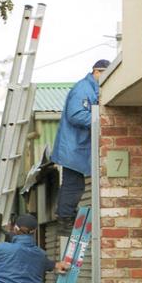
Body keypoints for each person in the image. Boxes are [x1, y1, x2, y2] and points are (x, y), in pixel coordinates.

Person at [51, 59, 110, 235]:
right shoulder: (83, 89)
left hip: (75, 146)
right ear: (97, 72)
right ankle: (65, 221)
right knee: (73, 185)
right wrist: (101, 121)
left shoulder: (90, 88)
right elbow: (76, 115)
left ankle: (66, 217)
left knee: (73, 185)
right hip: (73, 147)